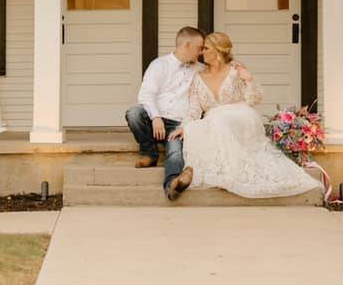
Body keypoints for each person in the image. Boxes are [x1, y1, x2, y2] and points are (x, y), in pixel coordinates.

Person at [168, 32, 324, 199]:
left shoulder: (235, 71)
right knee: (196, 128)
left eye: (206, 48)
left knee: (220, 122)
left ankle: (222, 172)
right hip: (215, 119)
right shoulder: (198, 78)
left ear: (218, 51)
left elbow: (253, 99)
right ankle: (199, 172)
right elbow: (194, 109)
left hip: (241, 116)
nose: (201, 52)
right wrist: (184, 127)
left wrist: (249, 79)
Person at [124, 26, 204, 200]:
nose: (201, 52)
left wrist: (233, 65)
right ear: (187, 45)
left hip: (178, 123)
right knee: (134, 113)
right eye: (199, 48)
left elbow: (217, 76)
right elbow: (146, 94)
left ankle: (172, 185)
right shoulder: (159, 65)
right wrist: (156, 117)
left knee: (175, 153)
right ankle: (149, 153)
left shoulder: (200, 70)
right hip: (155, 119)